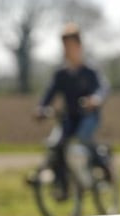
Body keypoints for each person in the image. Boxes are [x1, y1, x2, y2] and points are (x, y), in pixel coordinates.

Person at [35, 23, 110, 199]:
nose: (67, 50)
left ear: (79, 46)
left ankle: (105, 169)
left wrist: (95, 99)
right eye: (65, 46)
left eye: (71, 46)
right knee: (57, 144)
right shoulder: (61, 74)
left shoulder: (90, 71)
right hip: (69, 118)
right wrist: (42, 108)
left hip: (88, 116)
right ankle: (62, 184)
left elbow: (103, 88)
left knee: (82, 139)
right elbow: (50, 93)